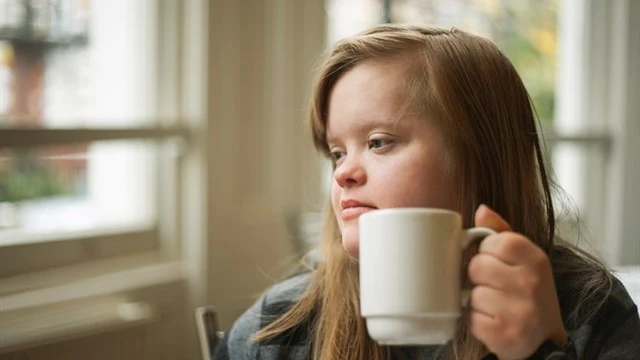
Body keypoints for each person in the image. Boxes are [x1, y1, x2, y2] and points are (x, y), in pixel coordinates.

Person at [213, 24, 639, 360]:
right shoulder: (281, 325)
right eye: (337, 152)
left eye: (379, 142)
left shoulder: (587, 312)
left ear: (480, 155)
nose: (344, 174)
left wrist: (539, 352)